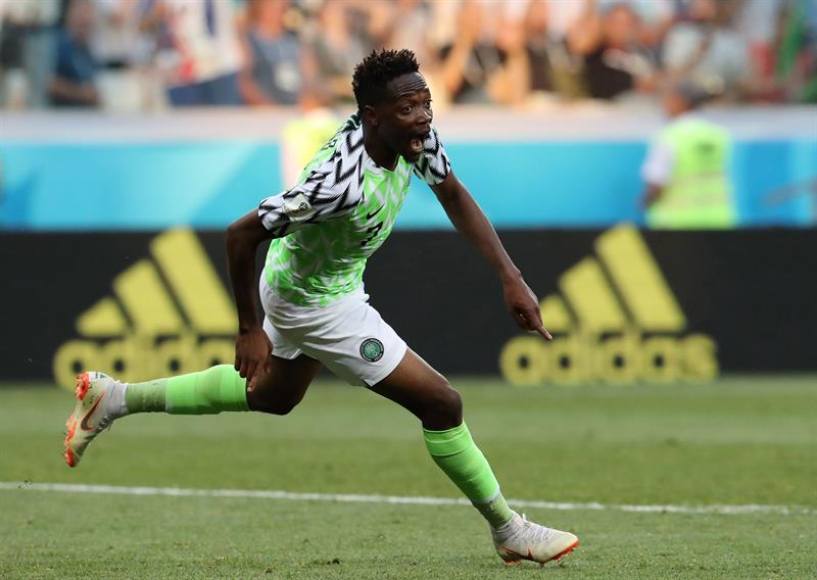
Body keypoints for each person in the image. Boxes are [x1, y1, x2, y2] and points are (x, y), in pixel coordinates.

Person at [63, 48, 579, 566]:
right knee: (442, 405)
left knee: (273, 397)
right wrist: (248, 329)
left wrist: (511, 278)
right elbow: (241, 235)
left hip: (320, 282)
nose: (422, 115)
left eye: (425, 103)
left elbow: (453, 193)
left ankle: (114, 398)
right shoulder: (337, 183)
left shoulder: (414, 139)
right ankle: (510, 530)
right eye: (407, 107)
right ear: (372, 116)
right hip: (313, 304)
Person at [641, 80, 736, 228]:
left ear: (680, 101)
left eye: (668, 99)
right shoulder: (718, 135)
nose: (664, 105)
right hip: (719, 220)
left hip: (676, 223)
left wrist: (645, 203)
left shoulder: (669, 136)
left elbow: (656, 182)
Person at [48, 0, 100, 108]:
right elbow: (50, 83)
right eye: (82, 23)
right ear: (71, 18)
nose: (86, 25)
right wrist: (81, 94)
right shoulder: (59, 44)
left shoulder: (87, 49)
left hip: (85, 117)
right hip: (62, 117)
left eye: (88, 24)